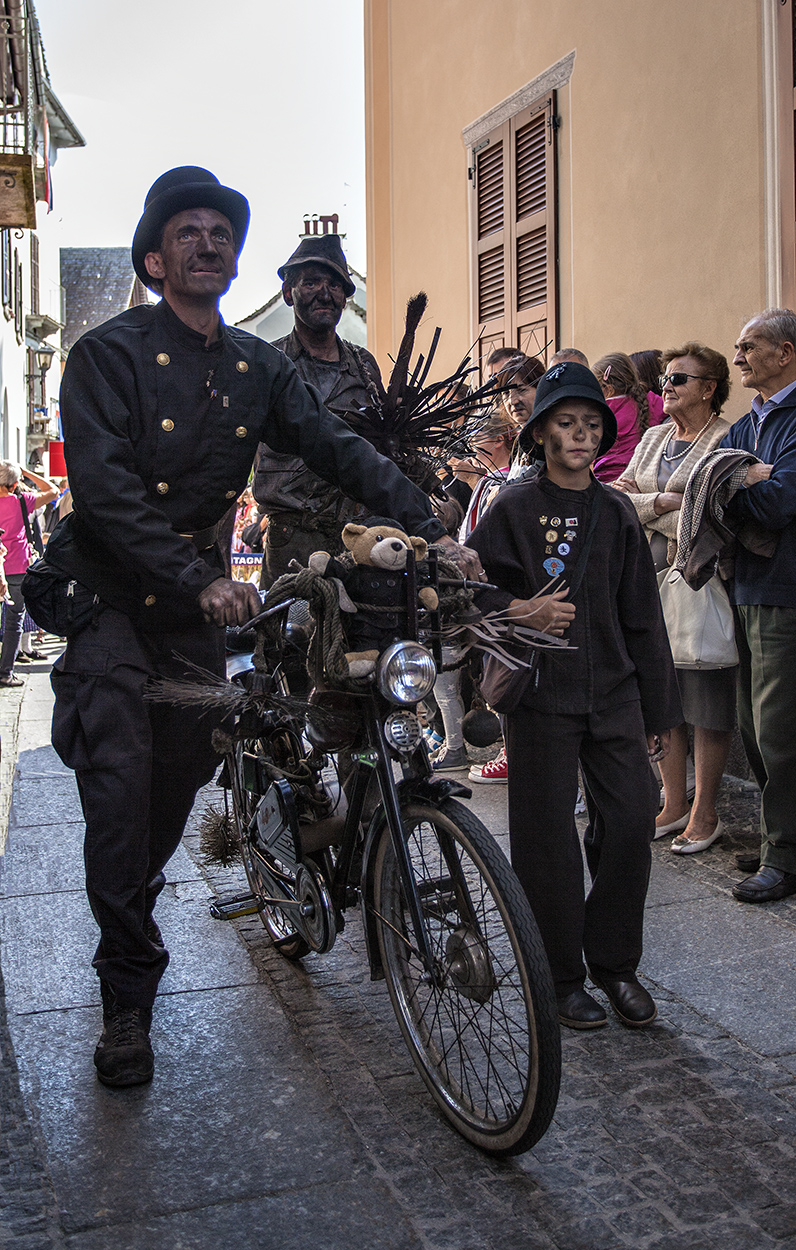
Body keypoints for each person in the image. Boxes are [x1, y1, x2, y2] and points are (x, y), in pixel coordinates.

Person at [41, 166, 477, 1089]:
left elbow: (338, 448)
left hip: (194, 606)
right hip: (115, 598)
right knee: (119, 790)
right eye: (188, 232)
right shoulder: (105, 355)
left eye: (221, 233)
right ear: (155, 259)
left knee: (181, 777)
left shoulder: (255, 366)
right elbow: (108, 493)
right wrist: (198, 577)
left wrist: (434, 528)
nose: (209, 243)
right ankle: (128, 996)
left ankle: (135, 897)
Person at [468, 362, 681, 1030]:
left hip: (614, 692)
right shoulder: (511, 507)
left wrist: (659, 712)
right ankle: (561, 978)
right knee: (545, 838)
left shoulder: (616, 511)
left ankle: (615, 966)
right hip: (542, 695)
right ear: (541, 433)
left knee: (628, 823)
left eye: (592, 423)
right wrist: (519, 607)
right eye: (567, 423)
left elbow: (644, 616)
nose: (582, 435)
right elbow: (471, 592)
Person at [612, 342, 734, 851]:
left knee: (704, 699)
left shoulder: (725, 438)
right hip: (648, 583)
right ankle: (672, 800)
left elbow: (710, 508)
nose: (668, 387)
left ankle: (706, 812)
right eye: (665, 379)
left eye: (680, 379)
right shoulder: (655, 436)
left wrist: (653, 507)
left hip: (699, 582)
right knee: (661, 697)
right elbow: (619, 493)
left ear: (708, 389)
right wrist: (664, 501)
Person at [252, 232, 383, 587]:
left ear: (344, 297)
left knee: (357, 638)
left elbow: (385, 448)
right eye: (311, 282)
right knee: (289, 635)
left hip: (356, 539)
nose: (325, 293)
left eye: (335, 285)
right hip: (290, 542)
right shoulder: (267, 365)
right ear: (288, 292)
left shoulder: (364, 366)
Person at [718, 309, 796, 903]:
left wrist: (743, 488)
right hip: (746, 584)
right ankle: (780, 838)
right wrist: (744, 483)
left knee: (777, 730)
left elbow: (778, 504)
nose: (739, 356)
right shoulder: (748, 424)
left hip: (782, 589)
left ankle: (784, 855)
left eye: (750, 346)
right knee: (752, 723)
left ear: (785, 353)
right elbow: (711, 489)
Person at [0, 461, 58, 686]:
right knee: (14, 621)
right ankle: (5, 672)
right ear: (14, 484)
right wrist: (26, 472)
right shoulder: (23, 501)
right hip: (17, 567)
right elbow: (53, 490)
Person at [592, 352, 665, 482]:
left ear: (608, 389)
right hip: (638, 479)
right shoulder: (650, 401)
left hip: (604, 480)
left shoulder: (598, 412)